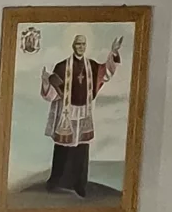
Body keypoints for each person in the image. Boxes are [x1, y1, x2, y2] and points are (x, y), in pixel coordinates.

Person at [38, 28, 123, 195]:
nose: (81, 47)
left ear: (86, 46)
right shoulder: (62, 66)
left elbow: (106, 73)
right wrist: (47, 81)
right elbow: (54, 93)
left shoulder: (91, 66)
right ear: (72, 45)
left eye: (83, 44)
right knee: (63, 147)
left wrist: (113, 53)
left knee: (81, 148)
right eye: (78, 44)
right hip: (66, 112)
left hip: (83, 112)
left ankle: (79, 184)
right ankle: (57, 181)